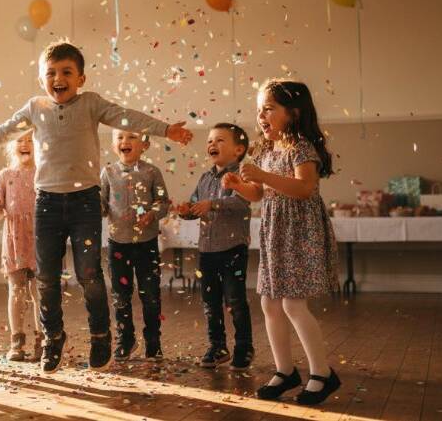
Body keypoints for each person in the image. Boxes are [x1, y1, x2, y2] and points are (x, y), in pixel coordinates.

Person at [0, 41, 192, 373]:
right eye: (51, 73)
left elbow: (125, 115)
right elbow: (3, 131)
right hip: (46, 202)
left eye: (66, 73)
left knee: (88, 274)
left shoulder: (91, 104)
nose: (58, 79)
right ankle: (52, 338)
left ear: (81, 78)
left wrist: (165, 130)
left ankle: (101, 335)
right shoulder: (35, 107)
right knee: (46, 277)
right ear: (41, 78)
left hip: (84, 202)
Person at [223, 80, 341, 405]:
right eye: (259, 108)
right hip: (276, 235)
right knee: (270, 304)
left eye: (269, 108)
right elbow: (260, 194)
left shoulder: (301, 147)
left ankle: (322, 373)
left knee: (292, 305)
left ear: (294, 112)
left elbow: (305, 188)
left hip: (299, 234)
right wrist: (238, 186)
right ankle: (285, 370)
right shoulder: (268, 150)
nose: (261, 115)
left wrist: (261, 176)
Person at [177, 123, 253, 370]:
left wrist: (214, 204)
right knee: (210, 302)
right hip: (207, 251)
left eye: (220, 140)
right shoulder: (205, 177)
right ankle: (217, 346)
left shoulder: (242, 176)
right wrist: (186, 211)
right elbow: (197, 205)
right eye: (210, 140)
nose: (212, 144)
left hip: (233, 249)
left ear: (238, 149)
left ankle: (244, 346)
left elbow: (242, 203)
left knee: (235, 300)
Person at [100, 130, 170, 361]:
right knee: (120, 295)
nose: (125, 142)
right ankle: (125, 339)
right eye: (119, 137)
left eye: (131, 137)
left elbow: (163, 203)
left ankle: (154, 341)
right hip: (118, 244)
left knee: (150, 295)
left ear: (144, 145)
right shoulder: (108, 173)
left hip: (146, 243)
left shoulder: (152, 172)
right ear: (113, 145)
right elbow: (101, 205)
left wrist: (152, 214)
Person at [0, 132, 43, 362]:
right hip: (14, 241)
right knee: (16, 291)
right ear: (11, 146)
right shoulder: (5, 175)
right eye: (19, 140)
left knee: (40, 292)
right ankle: (17, 341)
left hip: (40, 240)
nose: (25, 144)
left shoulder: (44, 172)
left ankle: (43, 340)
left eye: (30, 140)